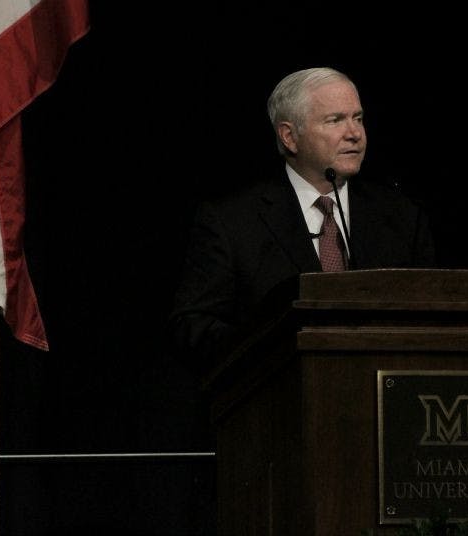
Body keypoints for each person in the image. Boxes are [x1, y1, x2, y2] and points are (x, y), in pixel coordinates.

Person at [170, 67, 436, 366]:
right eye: (335, 120)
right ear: (289, 137)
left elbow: (430, 317)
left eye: (358, 118)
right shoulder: (232, 223)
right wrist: (273, 351)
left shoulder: (401, 215)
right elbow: (195, 326)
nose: (354, 133)